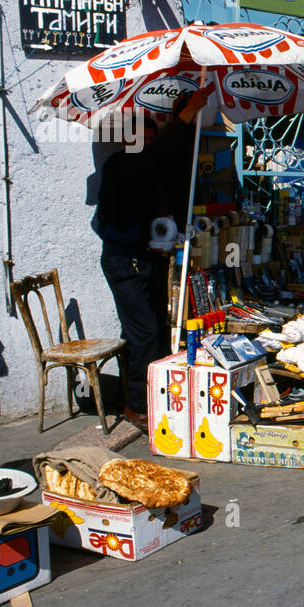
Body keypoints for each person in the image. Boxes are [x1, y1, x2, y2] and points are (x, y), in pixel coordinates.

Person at [91, 86, 212, 430]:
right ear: (129, 140)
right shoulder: (121, 165)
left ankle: (152, 394)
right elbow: (154, 158)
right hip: (123, 260)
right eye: (140, 137)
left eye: (150, 136)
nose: (145, 143)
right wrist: (187, 114)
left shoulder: (148, 166)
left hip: (146, 258)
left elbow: (168, 163)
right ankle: (135, 407)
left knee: (153, 328)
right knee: (144, 332)